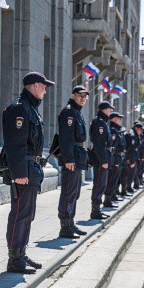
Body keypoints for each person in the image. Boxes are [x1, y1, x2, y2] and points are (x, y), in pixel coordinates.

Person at [2, 71, 54, 273]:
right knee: (20, 214)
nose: (45, 91)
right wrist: (19, 172)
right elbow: (15, 144)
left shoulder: (30, 108)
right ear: (34, 86)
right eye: (44, 87)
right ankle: (14, 259)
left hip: (30, 169)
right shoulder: (20, 109)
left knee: (27, 214)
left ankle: (20, 253)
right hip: (23, 170)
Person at [57, 86, 89, 239]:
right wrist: (69, 159)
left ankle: (71, 222)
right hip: (71, 159)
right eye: (80, 95)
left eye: (85, 96)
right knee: (68, 193)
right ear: (73, 95)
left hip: (77, 157)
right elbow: (66, 138)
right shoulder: (69, 112)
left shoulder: (77, 112)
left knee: (75, 193)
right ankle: (64, 227)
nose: (83, 98)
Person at [89, 101, 114, 219]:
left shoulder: (103, 122)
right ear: (104, 110)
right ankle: (95, 211)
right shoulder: (99, 122)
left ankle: (97, 209)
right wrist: (104, 161)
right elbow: (99, 144)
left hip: (104, 157)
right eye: (109, 109)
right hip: (100, 160)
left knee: (102, 184)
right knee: (99, 184)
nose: (110, 112)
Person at [104, 112, 126, 207]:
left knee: (114, 180)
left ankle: (111, 197)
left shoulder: (117, 130)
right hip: (115, 159)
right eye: (118, 118)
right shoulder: (113, 130)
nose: (120, 120)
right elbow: (113, 147)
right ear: (113, 119)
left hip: (118, 158)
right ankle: (107, 200)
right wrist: (115, 161)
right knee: (111, 180)